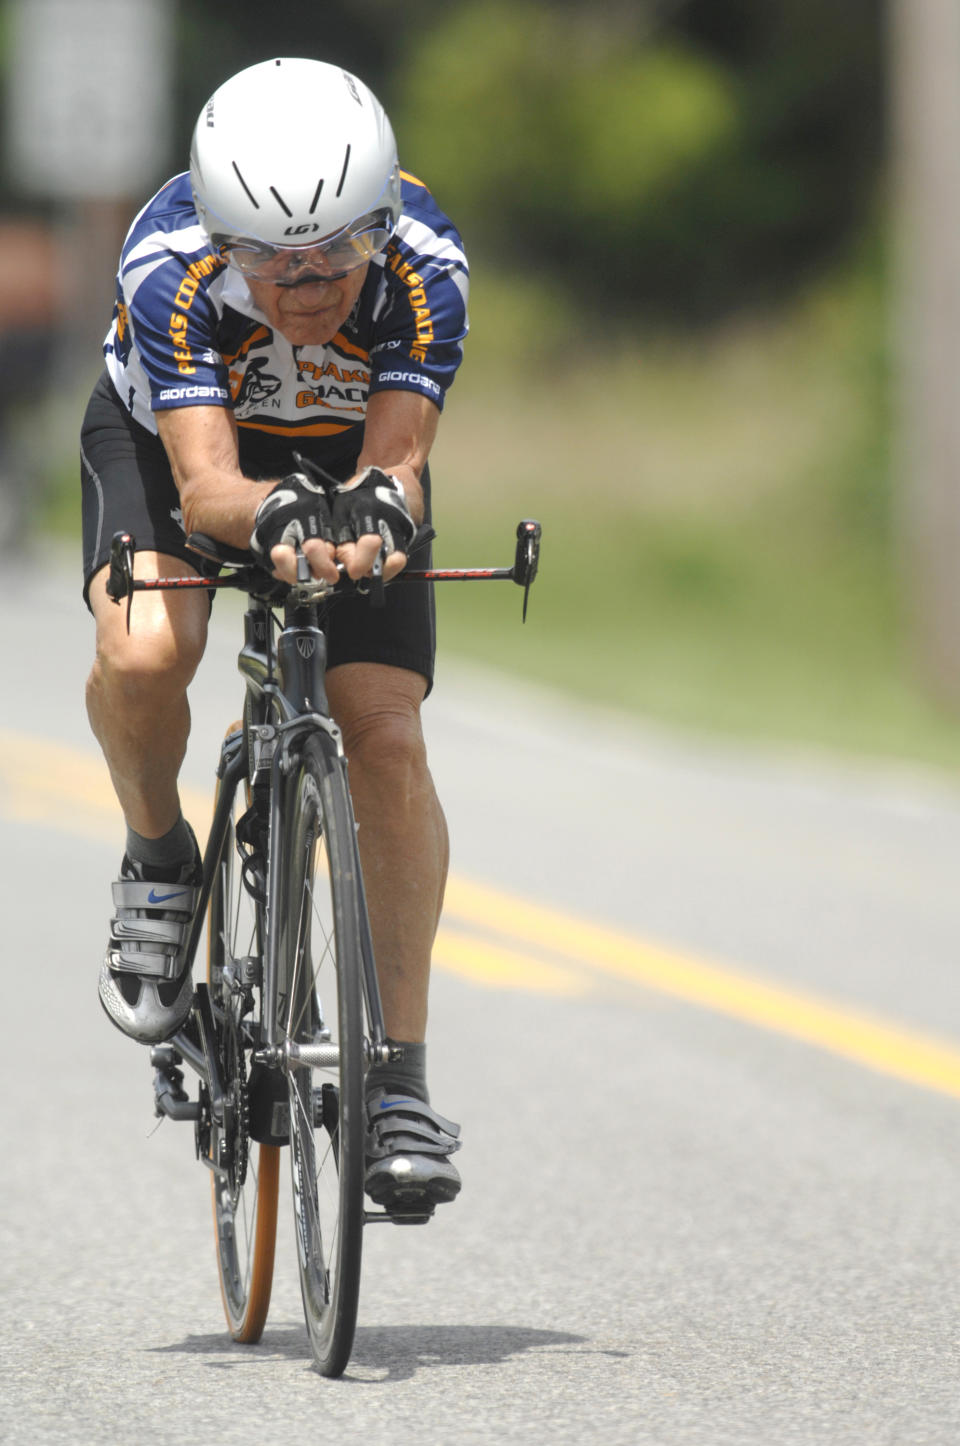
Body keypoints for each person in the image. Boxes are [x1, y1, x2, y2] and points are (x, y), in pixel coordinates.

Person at [80, 57, 466, 1214]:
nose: (304, 286)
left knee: (385, 732)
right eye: (271, 261)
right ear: (221, 233)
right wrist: (280, 514)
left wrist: (374, 517)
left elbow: (396, 465)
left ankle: (399, 1079)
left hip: (343, 452)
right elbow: (204, 490)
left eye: (336, 255)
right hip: (176, 449)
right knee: (149, 649)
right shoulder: (170, 264)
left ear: (380, 225)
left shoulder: (428, 268)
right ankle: (158, 862)